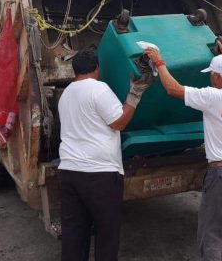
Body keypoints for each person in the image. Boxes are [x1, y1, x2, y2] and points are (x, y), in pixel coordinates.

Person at [145, 40, 222, 261]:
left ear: (215, 77)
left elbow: (172, 88)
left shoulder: (213, 97)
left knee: (211, 232)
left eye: (211, 74)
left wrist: (158, 60)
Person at [57, 49, 152, 261]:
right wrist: (134, 95)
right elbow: (118, 122)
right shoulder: (98, 89)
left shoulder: (66, 94)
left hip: (69, 172)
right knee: (107, 233)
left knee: (74, 233)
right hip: (99, 174)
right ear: (97, 68)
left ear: (74, 70)